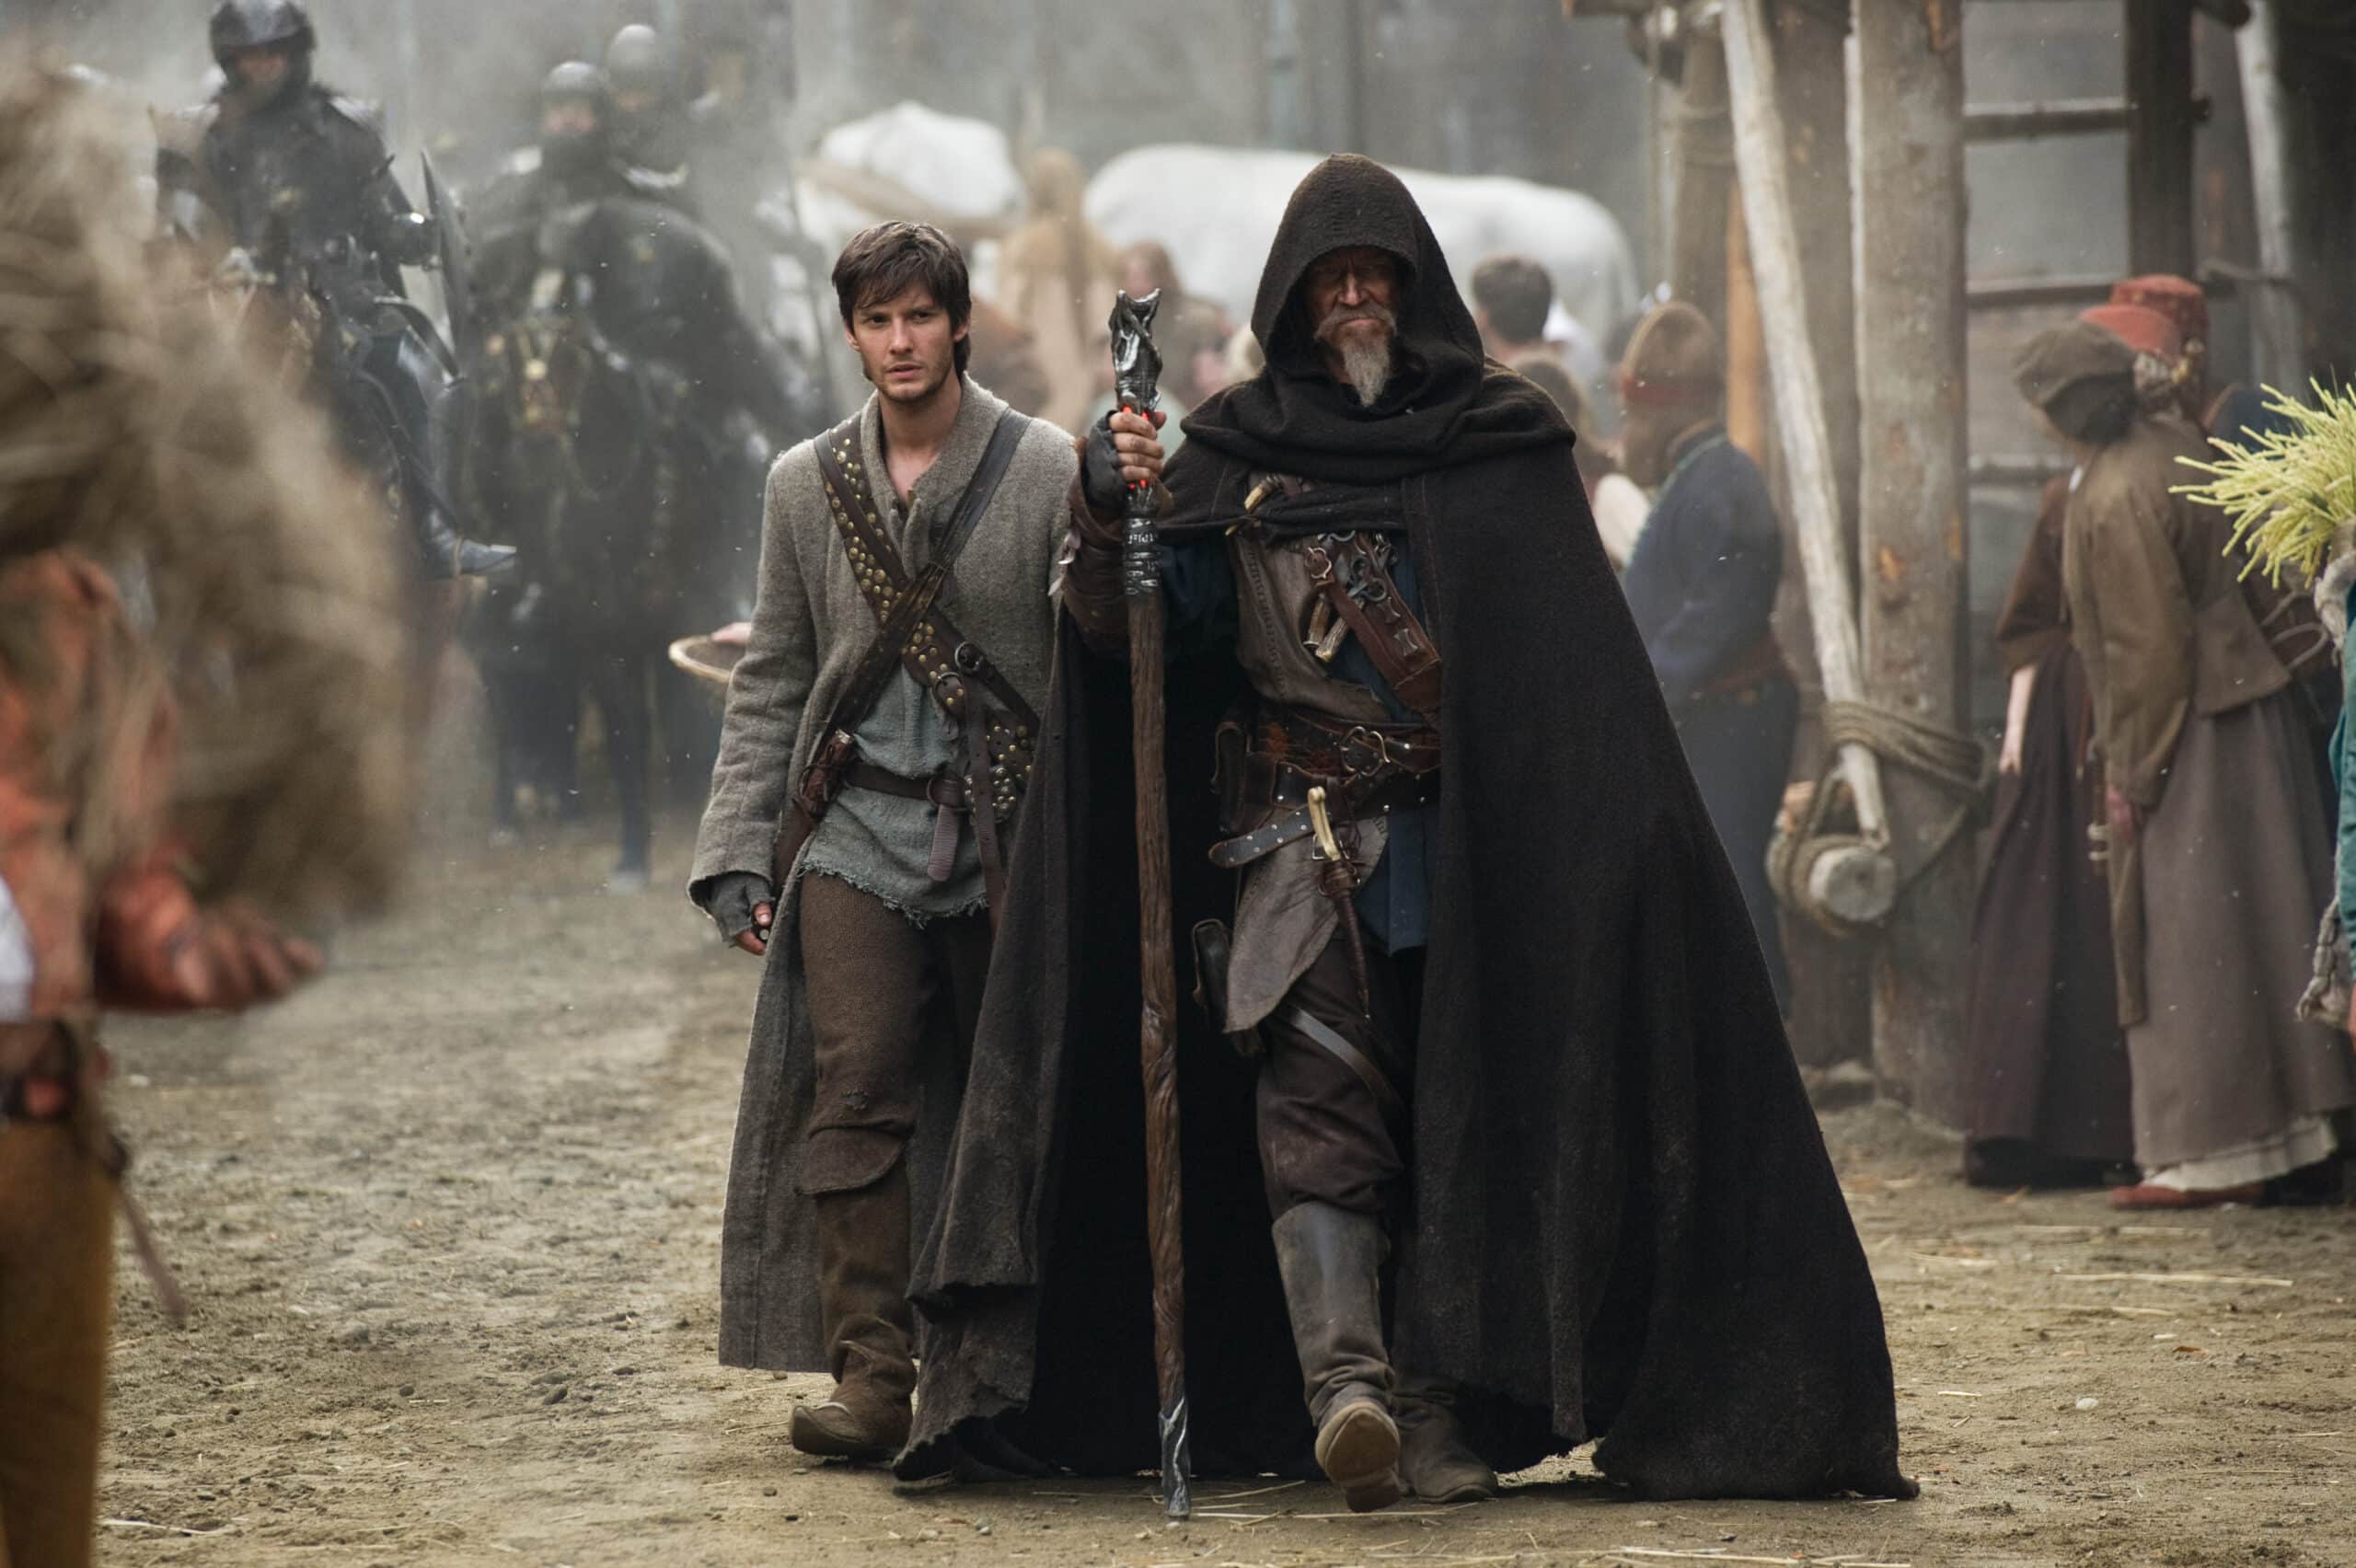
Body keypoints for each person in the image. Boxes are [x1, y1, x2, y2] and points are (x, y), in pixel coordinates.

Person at [902, 155, 1911, 1510]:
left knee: (1460, 1124)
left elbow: (1573, 675)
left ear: (1415, 287)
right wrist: (1105, 512)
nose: (1355, 299)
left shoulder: (1500, 444)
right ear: (1293, 301)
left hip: (1475, 853)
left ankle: (1439, 1408)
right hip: (1297, 851)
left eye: (1374, 275)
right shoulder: (1233, 455)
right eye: (1330, 281)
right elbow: (1138, 642)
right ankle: (1348, 1391)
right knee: (1313, 1110)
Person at [0, 63, 409, 1567]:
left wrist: (192, 931)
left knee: (408, 389)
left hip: (34, 1133)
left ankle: (441, 506)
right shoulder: (66, 611)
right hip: (29, 1136)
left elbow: (118, 892)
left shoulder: (66, 617)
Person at [685, 222, 1095, 1462]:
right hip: (855, 830)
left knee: (1008, 1102)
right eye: (878, 320)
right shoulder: (801, 484)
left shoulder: (1047, 468)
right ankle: (872, 1377)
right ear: (852, 334)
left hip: (1009, 834)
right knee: (856, 1093)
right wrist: (739, 847)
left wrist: (1125, 520)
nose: (901, 340)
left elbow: (1098, 641)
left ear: (959, 324)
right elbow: (774, 675)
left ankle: (998, 1375)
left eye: (921, 316)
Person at [2015, 318, 2356, 1209]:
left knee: (2192, 943)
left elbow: (2146, 653)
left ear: (2063, 412)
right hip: (2246, 713)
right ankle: (2295, 1133)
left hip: (2194, 732)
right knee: (2265, 931)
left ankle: (2208, 1156)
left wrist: (2132, 772)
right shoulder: (2168, 444)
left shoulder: (2113, 492)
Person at [153, 0, 510, 581]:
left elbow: (384, 224)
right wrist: (210, 269)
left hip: (346, 306)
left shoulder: (345, 131)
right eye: (250, 56)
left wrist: (421, 232)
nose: (263, 66)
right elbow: (175, 234)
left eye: (273, 53)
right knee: (163, 403)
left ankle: (433, 530)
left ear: (295, 53)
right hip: (236, 308)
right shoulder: (198, 139)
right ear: (229, 58)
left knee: (410, 375)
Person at [1614, 301, 1796, 1011]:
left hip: (1731, 721)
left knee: (1732, 881)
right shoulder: (1703, 476)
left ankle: (1765, 1029)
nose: (1628, 433)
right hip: (1708, 718)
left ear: (1660, 410)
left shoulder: (1723, 487)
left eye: (1634, 417)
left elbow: (1713, 622)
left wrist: (1639, 696)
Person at [999, 147, 1124, 432]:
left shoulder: (1023, 246)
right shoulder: (1101, 248)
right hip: (1085, 375)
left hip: (1037, 373)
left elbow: (1009, 316)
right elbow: (1107, 322)